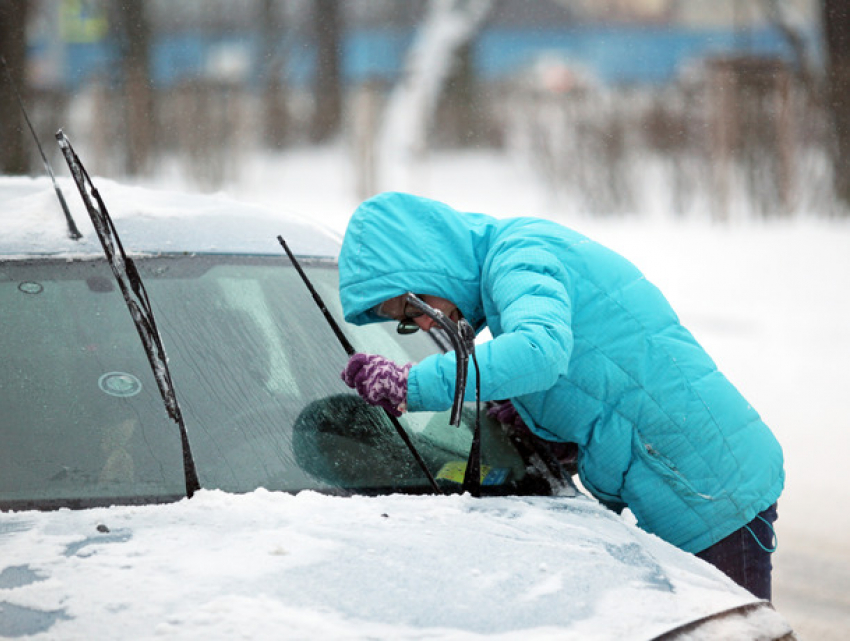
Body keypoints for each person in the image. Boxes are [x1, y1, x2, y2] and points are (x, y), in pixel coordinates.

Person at [337, 191, 784, 601]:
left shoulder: (518, 255)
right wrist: (538, 414)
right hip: (688, 483)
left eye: (415, 309)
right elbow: (596, 366)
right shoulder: (510, 264)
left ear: (427, 263)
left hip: (711, 489)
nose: (428, 327)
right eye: (408, 324)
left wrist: (412, 385)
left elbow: (540, 352)